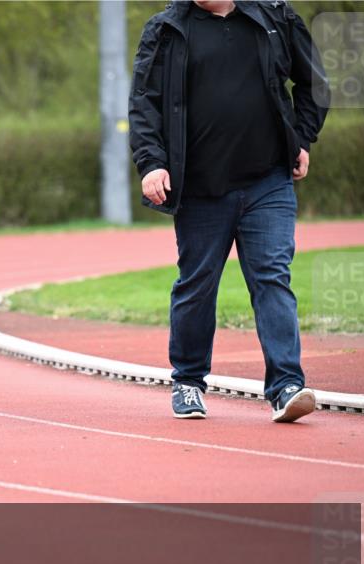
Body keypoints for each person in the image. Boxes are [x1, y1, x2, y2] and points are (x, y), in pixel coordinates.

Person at [128, 0, 328, 423]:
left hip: (267, 181)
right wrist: (152, 163)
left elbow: (315, 83)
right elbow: (145, 103)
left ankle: (286, 385)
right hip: (200, 189)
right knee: (197, 285)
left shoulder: (276, 17)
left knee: (272, 275)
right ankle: (188, 381)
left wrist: (303, 139)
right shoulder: (166, 29)